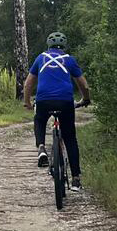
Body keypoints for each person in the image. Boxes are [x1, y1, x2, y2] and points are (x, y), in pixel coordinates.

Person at [23, 31, 91, 190]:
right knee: (70, 139)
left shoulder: (41, 58)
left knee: (39, 120)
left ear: (48, 45)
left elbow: (28, 85)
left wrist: (27, 102)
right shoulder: (69, 60)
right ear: (64, 46)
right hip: (65, 102)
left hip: (43, 101)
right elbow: (84, 85)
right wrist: (85, 99)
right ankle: (75, 179)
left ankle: (41, 147)